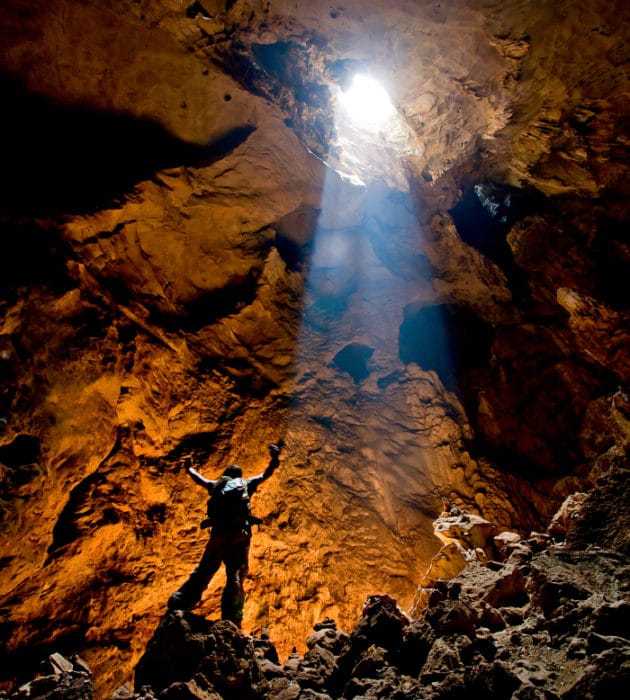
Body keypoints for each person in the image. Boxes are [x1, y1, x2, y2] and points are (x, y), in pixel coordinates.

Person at [167, 443, 282, 626]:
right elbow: (266, 475)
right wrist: (274, 458)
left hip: (220, 534)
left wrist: (188, 468)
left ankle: (182, 601)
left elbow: (199, 479)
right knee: (236, 576)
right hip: (240, 536)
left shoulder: (217, 485)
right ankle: (233, 618)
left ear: (226, 474)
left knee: (204, 569)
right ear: (239, 475)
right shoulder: (246, 485)